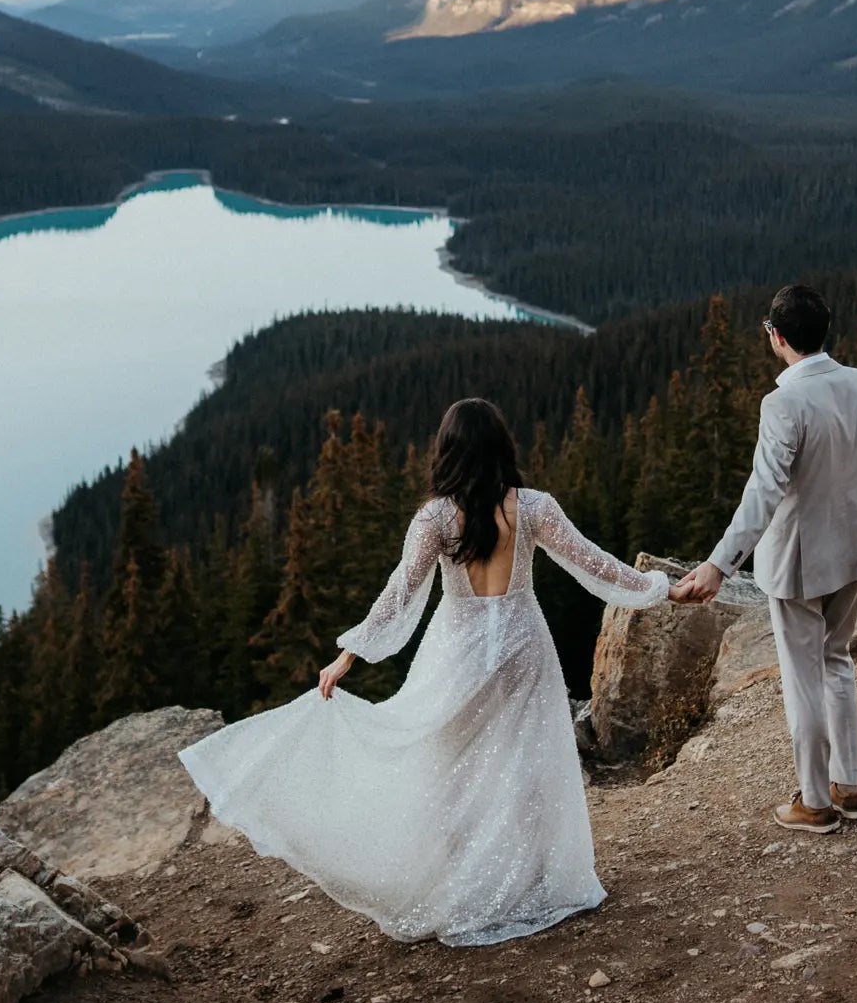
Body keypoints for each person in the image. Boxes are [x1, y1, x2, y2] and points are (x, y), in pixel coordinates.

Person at [178, 397, 672, 945]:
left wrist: (349, 654)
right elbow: (594, 562)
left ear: (448, 452)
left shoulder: (435, 517)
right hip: (523, 647)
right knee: (529, 765)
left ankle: (468, 886)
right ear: (502, 447)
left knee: (451, 770)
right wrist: (661, 588)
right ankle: (532, 881)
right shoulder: (534, 506)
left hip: (458, 651)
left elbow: (400, 593)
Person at [669, 283, 857, 833]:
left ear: (777, 336)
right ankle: (850, 786)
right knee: (837, 660)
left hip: (797, 563)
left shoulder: (783, 403)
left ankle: (814, 802)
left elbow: (763, 492)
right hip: (852, 551)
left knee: (802, 678)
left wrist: (719, 565)